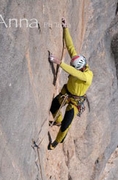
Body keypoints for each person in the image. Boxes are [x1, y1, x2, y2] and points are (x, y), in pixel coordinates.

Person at [48, 18, 93, 150]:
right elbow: (70, 47)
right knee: (53, 107)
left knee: (66, 125)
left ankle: (56, 142)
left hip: (75, 102)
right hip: (66, 92)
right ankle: (57, 120)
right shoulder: (79, 63)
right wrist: (65, 28)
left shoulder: (87, 76)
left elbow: (74, 72)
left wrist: (59, 62)